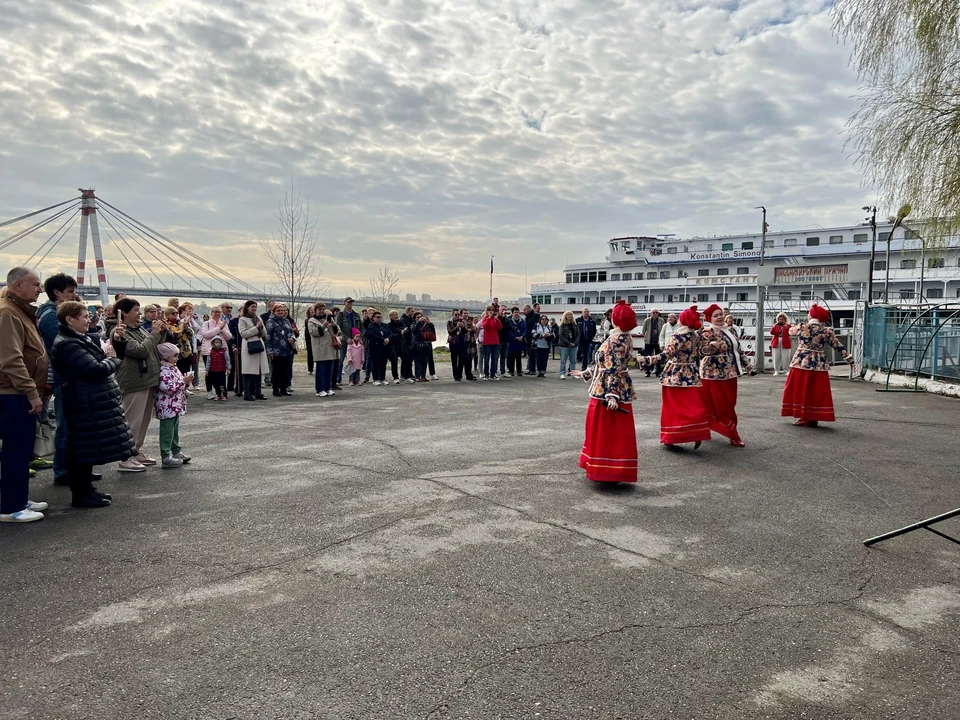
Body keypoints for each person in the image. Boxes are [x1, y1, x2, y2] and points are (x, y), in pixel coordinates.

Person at [51, 301, 135, 508]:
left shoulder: (78, 339)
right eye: (84, 317)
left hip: (89, 399)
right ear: (70, 320)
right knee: (81, 449)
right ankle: (81, 494)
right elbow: (95, 369)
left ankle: (87, 490)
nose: (89, 320)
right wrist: (113, 359)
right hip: (83, 400)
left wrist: (117, 343)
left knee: (87, 448)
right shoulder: (68, 343)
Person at [0, 268, 50, 522]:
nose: (40, 290)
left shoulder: (18, 309)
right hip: (13, 392)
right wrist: (32, 393)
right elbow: (11, 359)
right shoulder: (8, 313)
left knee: (21, 448)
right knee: (16, 449)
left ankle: (17, 497)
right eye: (36, 285)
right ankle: (11, 507)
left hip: (17, 391)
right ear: (18, 286)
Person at [573, 300, 638, 483]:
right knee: (617, 432)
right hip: (615, 386)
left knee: (604, 431)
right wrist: (586, 373)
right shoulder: (624, 337)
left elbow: (611, 369)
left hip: (606, 391)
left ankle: (606, 469)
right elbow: (605, 365)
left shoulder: (615, 341)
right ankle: (614, 468)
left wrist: (612, 395)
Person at [642, 306, 711, 449]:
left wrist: (648, 359)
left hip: (675, 374)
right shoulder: (696, 336)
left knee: (672, 408)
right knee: (692, 404)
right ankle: (696, 431)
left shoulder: (678, 336)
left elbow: (667, 354)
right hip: (691, 373)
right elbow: (704, 350)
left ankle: (671, 436)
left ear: (683, 321)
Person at [36, 272, 80, 488]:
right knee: (65, 426)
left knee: (72, 425)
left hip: (65, 375)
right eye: (70, 291)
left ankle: (73, 468)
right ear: (57, 292)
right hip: (63, 376)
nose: (74, 295)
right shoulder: (51, 317)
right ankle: (63, 471)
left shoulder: (54, 313)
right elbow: (62, 347)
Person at [112, 297, 164, 471]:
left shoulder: (139, 328)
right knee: (132, 419)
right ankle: (125, 457)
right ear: (124, 313)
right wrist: (154, 334)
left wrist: (160, 332)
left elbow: (153, 346)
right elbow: (140, 351)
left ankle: (137, 450)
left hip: (147, 379)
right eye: (135, 310)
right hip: (133, 380)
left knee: (144, 419)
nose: (139, 313)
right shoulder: (119, 331)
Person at [781, 304, 854, 427]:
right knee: (816, 390)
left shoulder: (803, 327)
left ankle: (804, 416)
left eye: (809, 313)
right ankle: (813, 416)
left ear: (812, 315)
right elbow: (837, 345)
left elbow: (790, 331)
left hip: (801, 360)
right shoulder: (826, 331)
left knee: (800, 389)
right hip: (819, 362)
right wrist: (849, 359)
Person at [699, 304, 752, 447]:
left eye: (721, 314)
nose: (719, 317)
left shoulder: (730, 330)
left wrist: (747, 364)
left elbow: (738, 350)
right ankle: (733, 435)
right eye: (715, 315)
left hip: (730, 372)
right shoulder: (708, 331)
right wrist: (710, 347)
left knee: (730, 403)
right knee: (721, 406)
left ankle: (722, 429)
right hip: (713, 374)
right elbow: (701, 351)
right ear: (710, 318)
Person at [154, 343, 192, 468]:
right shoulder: (163, 370)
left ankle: (176, 451)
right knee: (167, 431)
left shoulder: (173, 368)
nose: (177, 358)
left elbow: (178, 384)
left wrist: (186, 382)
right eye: (174, 356)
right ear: (165, 357)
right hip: (167, 406)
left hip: (175, 405)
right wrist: (183, 383)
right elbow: (167, 388)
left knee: (174, 430)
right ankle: (165, 456)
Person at [238, 300, 269, 401]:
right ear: (247, 307)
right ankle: (247, 393)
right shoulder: (242, 319)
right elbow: (243, 333)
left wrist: (261, 326)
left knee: (258, 370)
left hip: (259, 345)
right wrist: (256, 327)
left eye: (255, 307)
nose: (254, 309)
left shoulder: (258, 318)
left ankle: (258, 392)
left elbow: (264, 333)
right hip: (249, 345)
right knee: (248, 370)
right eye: (252, 307)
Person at [200, 306, 232, 399]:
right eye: (215, 312)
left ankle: (222, 392)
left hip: (222, 351)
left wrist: (222, 327)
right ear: (211, 313)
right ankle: (209, 391)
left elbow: (229, 336)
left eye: (219, 312)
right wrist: (218, 328)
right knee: (209, 372)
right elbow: (206, 335)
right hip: (209, 351)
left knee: (221, 372)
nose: (217, 314)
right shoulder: (206, 323)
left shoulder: (223, 323)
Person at [308, 304, 341, 397]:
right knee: (321, 370)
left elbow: (337, 331)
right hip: (320, 348)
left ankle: (327, 388)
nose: (322, 311)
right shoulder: (312, 320)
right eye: (319, 309)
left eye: (323, 309)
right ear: (315, 310)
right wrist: (323, 326)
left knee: (329, 370)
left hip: (330, 348)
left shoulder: (328, 319)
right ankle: (320, 389)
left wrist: (332, 323)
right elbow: (313, 332)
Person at [265, 303, 296, 397]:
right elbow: (268, 338)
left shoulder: (286, 320)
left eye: (282, 310)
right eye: (278, 310)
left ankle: (284, 389)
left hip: (287, 350)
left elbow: (291, 332)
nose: (280, 312)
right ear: (273, 312)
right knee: (276, 371)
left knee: (285, 370)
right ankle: (276, 389)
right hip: (276, 350)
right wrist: (270, 351)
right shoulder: (270, 322)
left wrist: (293, 339)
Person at [336, 298, 362, 384]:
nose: (350, 304)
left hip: (355, 343)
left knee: (355, 362)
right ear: (344, 303)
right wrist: (346, 339)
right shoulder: (340, 315)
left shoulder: (356, 315)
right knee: (340, 361)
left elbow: (361, 328)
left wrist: (359, 338)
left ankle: (354, 380)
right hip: (344, 342)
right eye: (348, 302)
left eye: (351, 302)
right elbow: (338, 329)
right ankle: (338, 379)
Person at [365, 310, 392, 385]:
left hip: (384, 347)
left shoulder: (385, 325)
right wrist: (382, 340)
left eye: (380, 317)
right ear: (373, 318)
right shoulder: (371, 326)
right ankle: (376, 378)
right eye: (377, 317)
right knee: (376, 363)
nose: (379, 318)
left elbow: (390, 333)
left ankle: (383, 378)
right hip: (375, 347)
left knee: (383, 363)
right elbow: (371, 335)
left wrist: (388, 339)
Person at [480, 305, 502, 380]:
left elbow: (500, 327)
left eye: (492, 310)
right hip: (487, 341)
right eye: (489, 310)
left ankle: (493, 374)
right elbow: (485, 326)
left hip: (495, 341)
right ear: (487, 311)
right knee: (486, 358)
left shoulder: (495, 319)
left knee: (494, 358)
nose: (491, 312)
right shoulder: (485, 319)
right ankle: (486, 374)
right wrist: (489, 318)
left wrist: (497, 320)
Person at [556, 310, 580, 379]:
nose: (569, 316)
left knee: (573, 360)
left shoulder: (575, 325)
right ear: (565, 316)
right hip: (564, 346)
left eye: (570, 315)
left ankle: (573, 373)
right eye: (568, 315)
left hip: (574, 345)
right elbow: (561, 335)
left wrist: (575, 343)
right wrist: (569, 343)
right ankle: (562, 373)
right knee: (563, 360)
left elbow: (578, 334)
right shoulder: (562, 325)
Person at [447, 310, 469, 381]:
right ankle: (455, 375)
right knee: (454, 360)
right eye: (455, 315)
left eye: (458, 314)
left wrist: (462, 327)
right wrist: (457, 327)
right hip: (453, 343)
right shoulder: (449, 322)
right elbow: (450, 332)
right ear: (452, 315)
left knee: (462, 359)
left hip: (461, 342)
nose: (457, 316)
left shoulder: (462, 321)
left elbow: (466, 331)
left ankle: (459, 374)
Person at [642, 309, 664, 378]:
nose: (655, 314)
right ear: (651, 313)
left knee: (658, 357)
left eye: (656, 313)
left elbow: (663, 330)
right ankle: (647, 371)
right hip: (649, 341)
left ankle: (658, 372)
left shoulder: (661, 320)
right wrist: (645, 337)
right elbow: (643, 331)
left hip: (658, 341)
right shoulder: (647, 320)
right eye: (653, 313)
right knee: (647, 357)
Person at [506, 307, 526, 378]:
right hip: (512, 341)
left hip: (520, 342)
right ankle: (511, 371)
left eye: (518, 312)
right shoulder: (509, 320)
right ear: (512, 313)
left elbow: (524, 329)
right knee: (511, 357)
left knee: (519, 357)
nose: (516, 314)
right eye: (515, 312)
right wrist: (514, 337)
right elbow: (508, 330)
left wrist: (522, 336)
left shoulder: (522, 321)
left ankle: (519, 371)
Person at [260, 300, 276, 387]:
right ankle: (267, 379)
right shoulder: (264, 316)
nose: (273, 307)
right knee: (266, 361)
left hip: (276, 343)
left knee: (274, 362)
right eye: (272, 306)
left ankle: (273, 379)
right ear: (269, 307)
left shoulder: (279, 317)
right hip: (266, 342)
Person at [386, 310, 403, 384]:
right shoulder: (388, 325)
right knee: (394, 361)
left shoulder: (401, 323)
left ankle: (405, 375)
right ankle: (395, 377)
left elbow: (405, 330)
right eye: (393, 315)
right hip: (393, 345)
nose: (395, 316)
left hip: (402, 344)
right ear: (390, 316)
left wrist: (400, 332)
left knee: (406, 359)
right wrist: (400, 333)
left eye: (396, 314)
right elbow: (391, 335)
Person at [522, 304, 540, 374]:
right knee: (529, 354)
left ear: (529, 309)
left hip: (533, 338)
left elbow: (536, 326)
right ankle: (531, 369)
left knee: (532, 354)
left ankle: (533, 369)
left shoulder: (536, 316)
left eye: (525, 310)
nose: (524, 311)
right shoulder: (526, 318)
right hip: (527, 338)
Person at [304, 305, 316, 375]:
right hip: (309, 338)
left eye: (313, 310)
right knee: (310, 353)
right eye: (311, 310)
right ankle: (310, 368)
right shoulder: (307, 320)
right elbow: (306, 332)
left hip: (316, 338)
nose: (312, 311)